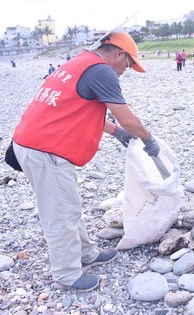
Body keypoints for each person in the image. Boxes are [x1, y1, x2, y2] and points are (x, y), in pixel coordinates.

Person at [11, 32, 161, 292]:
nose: (127, 71)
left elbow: (75, 108)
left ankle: (86, 254)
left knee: (69, 205)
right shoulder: (103, 72)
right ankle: (67, 273)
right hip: (46, 150)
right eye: (129, 64)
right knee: (60, 213)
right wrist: (148, 139)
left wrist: (116, 133)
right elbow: (127, 118)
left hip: (31, 142)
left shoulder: (80, 62)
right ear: (119, 54)